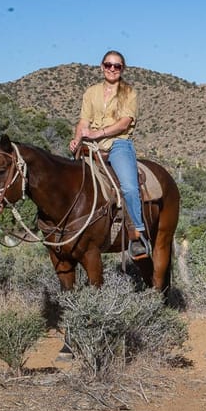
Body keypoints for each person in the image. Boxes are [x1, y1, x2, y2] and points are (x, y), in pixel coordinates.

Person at [69, 50, 150, 259]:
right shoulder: (91, 92)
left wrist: (98, 133)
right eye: (108, 65)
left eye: (117, 66)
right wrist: (77, 139)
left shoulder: (128, 92)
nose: (112, 69)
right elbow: (83, 122)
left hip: (118, 144)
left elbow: (125, 122)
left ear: (122, 69)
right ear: (101, 66)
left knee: (130, 187)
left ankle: (137, 234)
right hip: (90, 145)